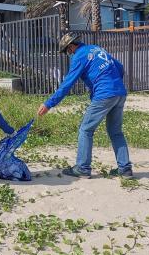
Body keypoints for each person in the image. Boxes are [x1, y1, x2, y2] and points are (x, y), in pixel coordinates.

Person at [37, 33, 133, 179]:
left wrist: (49, 103)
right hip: (120, 93)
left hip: (104, 94)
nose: (68, 54)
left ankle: (82, 168)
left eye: (67, 51)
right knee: (116, 132)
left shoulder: (79, 57)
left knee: (86, 130)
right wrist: (113, 82)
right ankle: (125, 169)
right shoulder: (96, 49)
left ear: (71, 47)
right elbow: (119, 67)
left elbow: (67, 84)